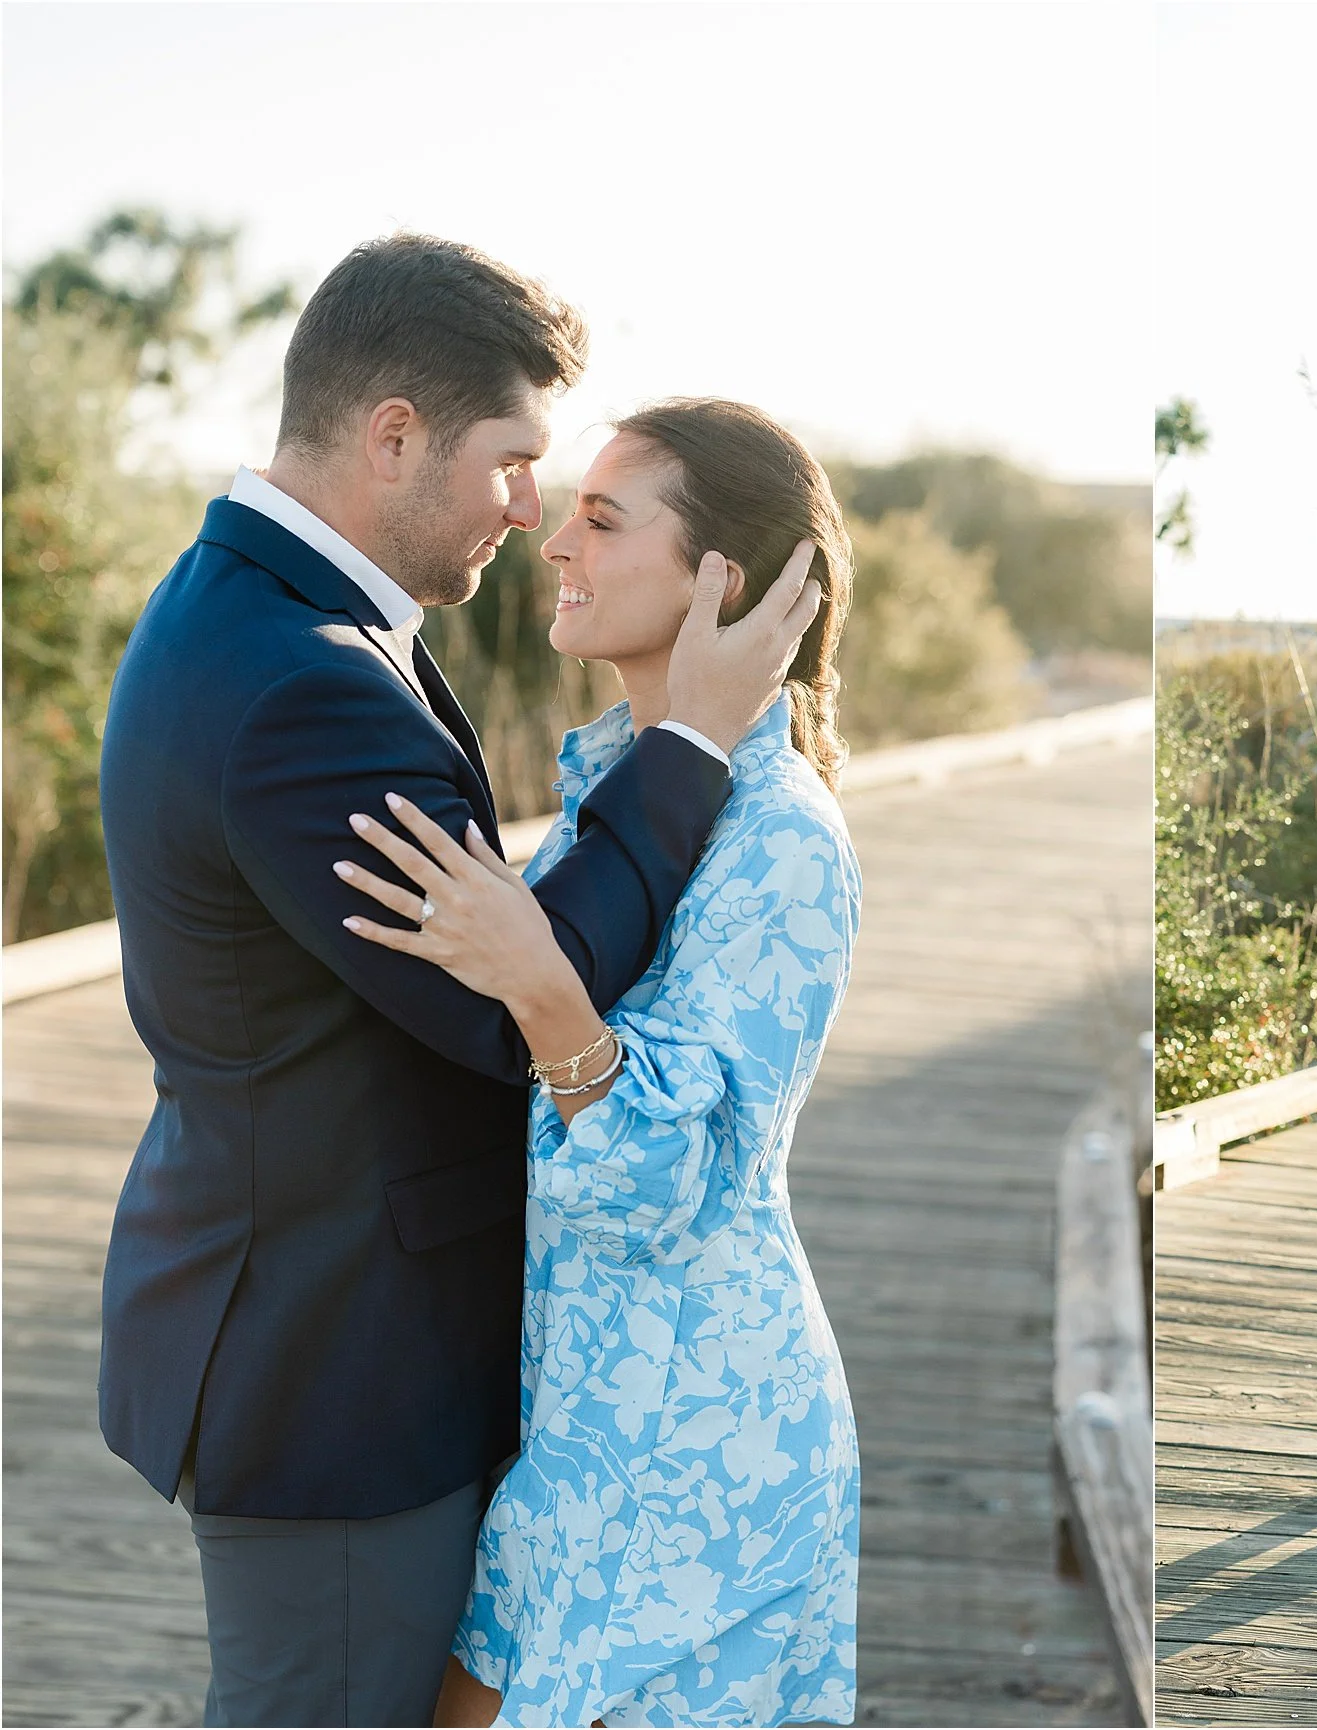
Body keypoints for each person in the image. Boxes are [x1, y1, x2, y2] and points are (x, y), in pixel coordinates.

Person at [96, 237, 819, 1726]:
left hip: (333, 1320)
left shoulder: (268, 612)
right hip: (337, 1361)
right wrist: (689, 740)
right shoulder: (304, 681)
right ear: (395, 434)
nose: (530, 509)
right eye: (514, 459)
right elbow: (505, 1000)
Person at [338, 401, 862, 1726]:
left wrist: (539, 983)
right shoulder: (613, 785)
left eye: (604, 518)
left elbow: (673, 1175)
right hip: (580, 1419)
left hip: (704, 1442)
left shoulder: (785, 842)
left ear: (720, 583)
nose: (552, 537)